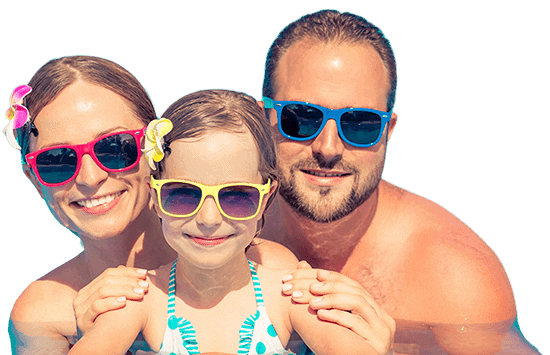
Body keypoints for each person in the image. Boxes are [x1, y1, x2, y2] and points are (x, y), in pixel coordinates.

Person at [258, 9, 540, 354]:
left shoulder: (453, 282)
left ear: (387, 132)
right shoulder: (208, 226)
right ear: (265, 118)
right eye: (300, 118)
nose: (328, 148)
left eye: (359, 124)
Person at [7, 56, 299, 355]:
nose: (90, 178)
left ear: (154, 149)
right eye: (56, 161)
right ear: (34, 179)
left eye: (114, 148)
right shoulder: (41, 314)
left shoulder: (268, 270)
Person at [67, 89, 392, 355]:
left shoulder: (290, 295)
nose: (209, 219)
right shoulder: (140, 298)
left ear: (266, 198)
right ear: (155, 197)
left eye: (237, 197)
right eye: (183, 195)